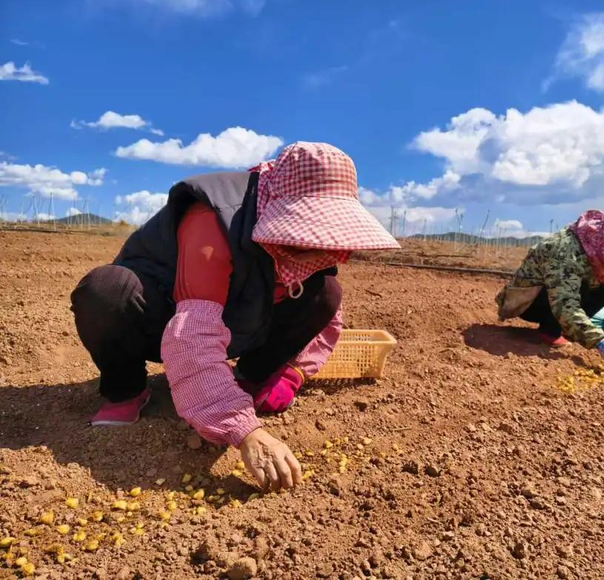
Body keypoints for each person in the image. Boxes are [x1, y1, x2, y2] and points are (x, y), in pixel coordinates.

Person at [70, 142, 400, 491]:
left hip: (238, 319)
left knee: (326, 291)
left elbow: (326, 315)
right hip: (161, 315)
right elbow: (192, 333)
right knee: (106, 290)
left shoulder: (313, 250)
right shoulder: (212, 218)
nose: (316, 253)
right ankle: (127, 391)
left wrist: (293, 371)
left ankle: (247, 380)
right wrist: (245, 431)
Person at [495, 210, 604, 369]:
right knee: (578, 285)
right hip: (530, 302)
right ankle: (550, 330)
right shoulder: (564, 252)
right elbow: (564, 304)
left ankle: (571, 328)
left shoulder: (592, 240)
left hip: (556, 294)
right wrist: (600, 342)